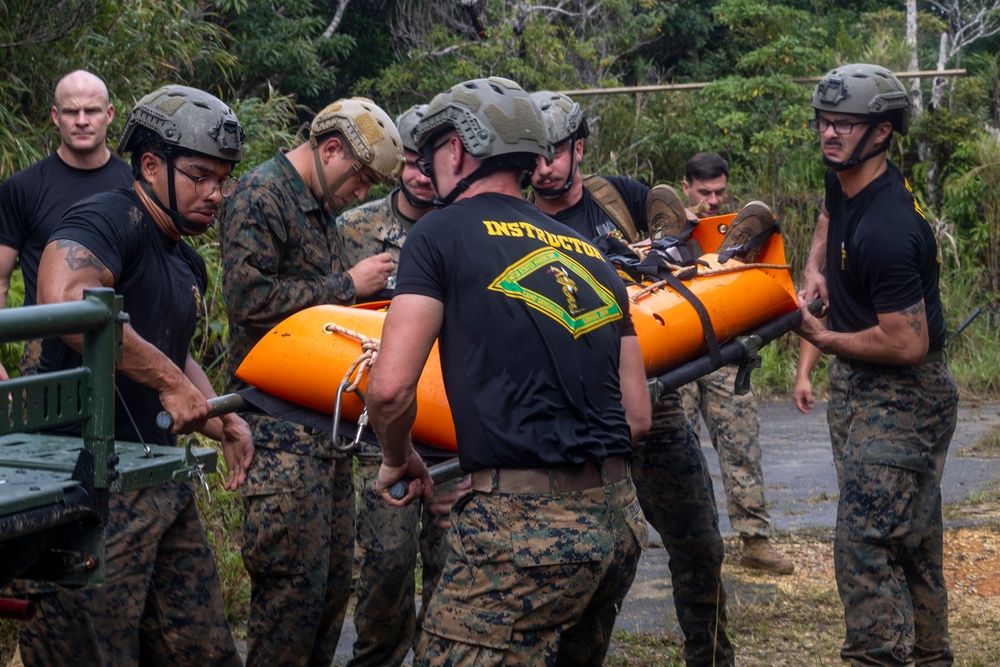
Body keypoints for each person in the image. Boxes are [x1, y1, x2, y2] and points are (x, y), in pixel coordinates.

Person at [365, 76, 651, 666]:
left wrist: (398, 458)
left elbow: (390, 390)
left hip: (522, 536)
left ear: (456, 150)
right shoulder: (590, 252)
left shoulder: (436, 235)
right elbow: (638, 416)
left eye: (432, 148)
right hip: (618, 521)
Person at [18, 84, 255, 666]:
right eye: (201, 176)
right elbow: (66, 301)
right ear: (151, 165)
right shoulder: (108, 216)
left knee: (204, 653)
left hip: (158, 479)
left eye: (223, 179)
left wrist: (215, 416)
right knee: (90, 654)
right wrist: (173, 385)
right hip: (88, 486)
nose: (216, 194)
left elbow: (169, 348)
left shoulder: (185, 255)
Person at [530, 89, 736, 666]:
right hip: (579, 416)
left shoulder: (616, 197)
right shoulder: (515, 224)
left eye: (553, 153)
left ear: (578, 148)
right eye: (532, 155)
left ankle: (713, 656)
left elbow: (690, 258)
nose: (543, 167)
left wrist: (663, 254)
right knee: (593, 562)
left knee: (700, 545)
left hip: (658, 400)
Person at [219, 97, 404, 667]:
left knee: (329, 592)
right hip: (278, 434)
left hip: (326, 434)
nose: (360, 194)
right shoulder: (260, 195)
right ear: (330, 150)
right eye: (362, 179)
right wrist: (348, 284)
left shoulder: (319, 209)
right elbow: (251, 303)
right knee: (289, 601)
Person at [796, 63, 958, 666]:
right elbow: (827, 217)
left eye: (845, 124)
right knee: (906, 536)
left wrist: (822, 337)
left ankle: (878, 658)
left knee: (865, 545)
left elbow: (906, 344)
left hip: (904, 392)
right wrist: (815, 268)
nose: (829, 134)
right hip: (863, 387)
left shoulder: (889, 227)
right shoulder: (845, 177)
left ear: (882, 133)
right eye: (824, 122)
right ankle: (930, 656)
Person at [334, 103, 455, 666]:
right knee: (384, 568)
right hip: (381, 430)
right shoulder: (354, 229)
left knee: (453, 572)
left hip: (454, 431)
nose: (420, 176)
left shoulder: (467, 230)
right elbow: (323, 320)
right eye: (410, 163)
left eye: (428, 164)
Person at [678, 152, 794, 575]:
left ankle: (755, 539)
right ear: (687, 186)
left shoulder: (737, 231)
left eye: (720, 192)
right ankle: (692, 542)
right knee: (681, 453)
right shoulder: (668, 229)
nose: (712, 200)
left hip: (726, 354)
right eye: (705, 192)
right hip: (681, 357)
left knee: (742, 445)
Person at [0, 70, 132, 379]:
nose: (82, 120)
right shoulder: (24, 187)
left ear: (109, 114)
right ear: (56, 116)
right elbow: (1, 277)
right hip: (44, 359)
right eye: (72, 111)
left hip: (124, 354)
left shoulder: (134, 186)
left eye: (92, 110)